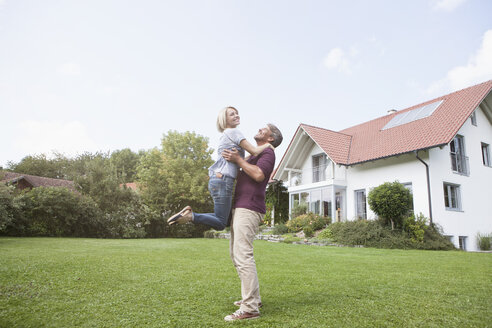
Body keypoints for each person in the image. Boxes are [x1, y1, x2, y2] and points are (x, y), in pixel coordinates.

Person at [167, 106, 273, 230]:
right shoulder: (234, 132)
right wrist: (269, 145)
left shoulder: (226, 135)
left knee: (225, 219)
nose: (236, 116)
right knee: (221, 223)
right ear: (225, 120)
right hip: (223, 180)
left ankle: (189, 215)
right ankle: (191, 216)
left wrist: (244, 158)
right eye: (232, 114)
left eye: (237, 113)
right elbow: (255, 151)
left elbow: (240, 159)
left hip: (217, 179)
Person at [222, 123, 283, 322]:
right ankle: (253, 299)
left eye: (264, 128)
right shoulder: (254, 155)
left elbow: (258, 175)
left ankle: (250, 308)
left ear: (271, 138)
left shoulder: (269, 153)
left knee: (243, 255)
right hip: (241, 206)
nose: (259, 128)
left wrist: (239, 159)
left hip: (249, 207)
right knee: (236, 254)